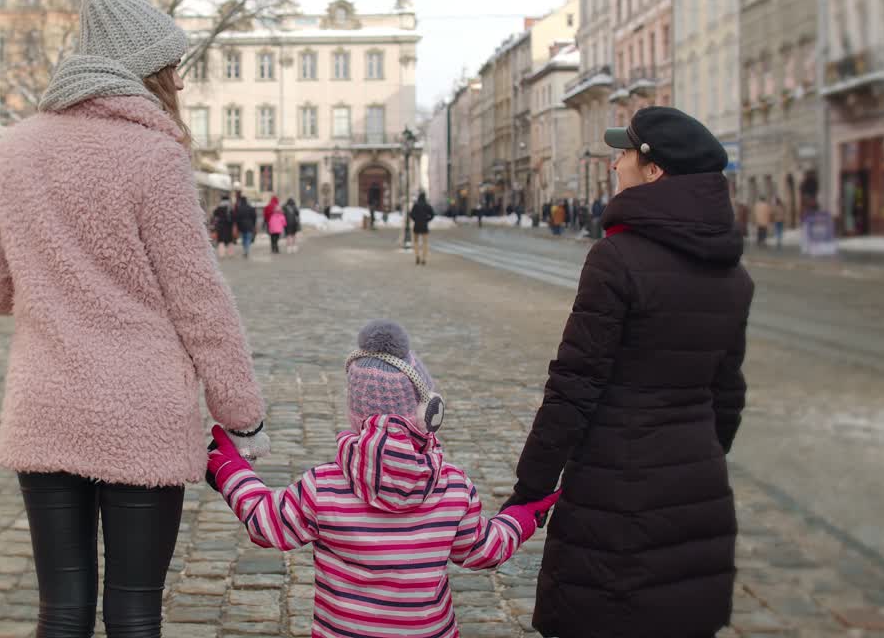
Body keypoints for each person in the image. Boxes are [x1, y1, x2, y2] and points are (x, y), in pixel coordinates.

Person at [0, 0, 268, 638]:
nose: (179, 78)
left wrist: (54, 287)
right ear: (144, 70)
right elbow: (199, 302)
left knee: (61, 608)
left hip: (45, 403)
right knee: (133, 609)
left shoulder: (14, 147)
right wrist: (241, 410)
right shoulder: (154, 157)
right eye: (171, 65)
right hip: (141, 410)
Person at [505, 107, 754, 638]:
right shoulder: (733, 273)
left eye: (623, 153)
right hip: (697, 487)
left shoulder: (616, 257)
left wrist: (529, 492)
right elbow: (727, 395)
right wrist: (693, 456)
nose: (614, 164)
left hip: (615, 492)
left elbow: (573, 387)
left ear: (654, 169)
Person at [207, 320, 560, 638]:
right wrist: (523, 518)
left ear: (355, 414)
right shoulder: (453, 487)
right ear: (428, 412)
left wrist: (230, 470)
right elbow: (484, 549)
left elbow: (266, 523)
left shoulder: (323, 486)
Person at [410, 191, 435, 266]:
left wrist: (415, 219)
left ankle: (417, 256)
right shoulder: (427, 205)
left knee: (416, 242)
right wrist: (427, 220)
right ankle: (424, 259)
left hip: (417, 225)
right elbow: (433, 215)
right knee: (425, 243)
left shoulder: (416, 205)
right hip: (424, 225)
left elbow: (411, 214)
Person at [211, 193, 235, 258]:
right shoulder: (230, 207)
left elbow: (214, 214)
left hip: (221, 226)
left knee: (221, 240)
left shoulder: (219, 207)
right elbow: (234, 217)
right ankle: (231, 253)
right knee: (230, 240)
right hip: (229, 226)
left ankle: (222, 254)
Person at [234, 193, 257, 259]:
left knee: (244, 238)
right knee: (248, 237)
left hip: (241, 225)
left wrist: (238, 226)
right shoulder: (250, 208)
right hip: (249, 225)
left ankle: (245, 249)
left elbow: (237, 218)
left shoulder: (239, 208)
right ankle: (246, 250)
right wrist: (253, 224)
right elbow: (254, 216)